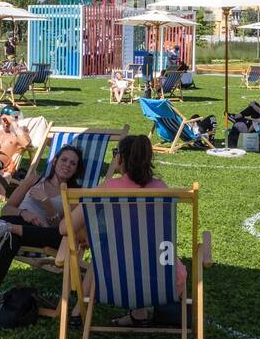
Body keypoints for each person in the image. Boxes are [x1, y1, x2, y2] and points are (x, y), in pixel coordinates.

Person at [64, 135, 187, 328]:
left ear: (120, 159)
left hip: (116, 281)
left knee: (105, 251)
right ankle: (139, 314)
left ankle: (79, 313)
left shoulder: (107, 189)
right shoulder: (161, 188)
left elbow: (66, 227)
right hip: (164, 280)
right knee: (134, 251)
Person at [0, 145, 84, 337]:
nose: (67, 165)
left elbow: (63, 228)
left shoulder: (74, 193)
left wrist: (46, 202)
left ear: (76, 169)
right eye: (64, 160)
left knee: (18, 235)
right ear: (54, 161)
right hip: (17, 224)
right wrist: (25, 213)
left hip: (43, 234)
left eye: (73, 163)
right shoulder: (34, 180)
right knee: (9, 237)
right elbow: (7, 209)